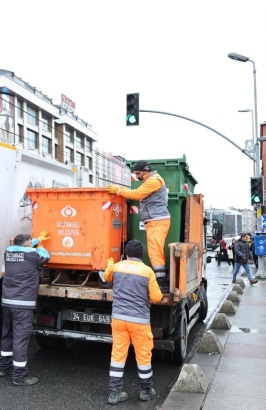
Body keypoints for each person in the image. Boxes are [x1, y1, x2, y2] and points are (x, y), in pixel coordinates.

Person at [101, 240, 163, 405]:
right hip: (139, 321)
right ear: (141, 255)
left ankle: (114, 393)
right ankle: (146, 391)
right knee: (143, 356)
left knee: (118, 355)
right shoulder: (147, 271)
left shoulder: (117, 267)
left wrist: (109, 265)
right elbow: (157, 297)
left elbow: (106, 276)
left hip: (119, 319)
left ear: (126, 253)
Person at [0, 230, 51, 386]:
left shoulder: (8, 252)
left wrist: (34, 241)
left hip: (7, 302)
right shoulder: (32, 256)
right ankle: (20, 376)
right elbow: (46, 256)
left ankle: (3, 367)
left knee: (7, 335)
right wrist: (39, 243)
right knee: (20, 339)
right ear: (28, 245)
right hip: (22, 305)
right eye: (30, 243)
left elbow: (21, 249)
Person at [106, 161, 170, 288]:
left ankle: (161, 282)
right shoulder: (149, 181)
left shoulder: (154, 180)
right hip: (155, 220)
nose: (136, 176)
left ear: (146, 171)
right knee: (155, 250)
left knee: (154, 250)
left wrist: (119, 191)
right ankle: (160, 279)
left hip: (157, 220)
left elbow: (137, 194)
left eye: (138, 173)